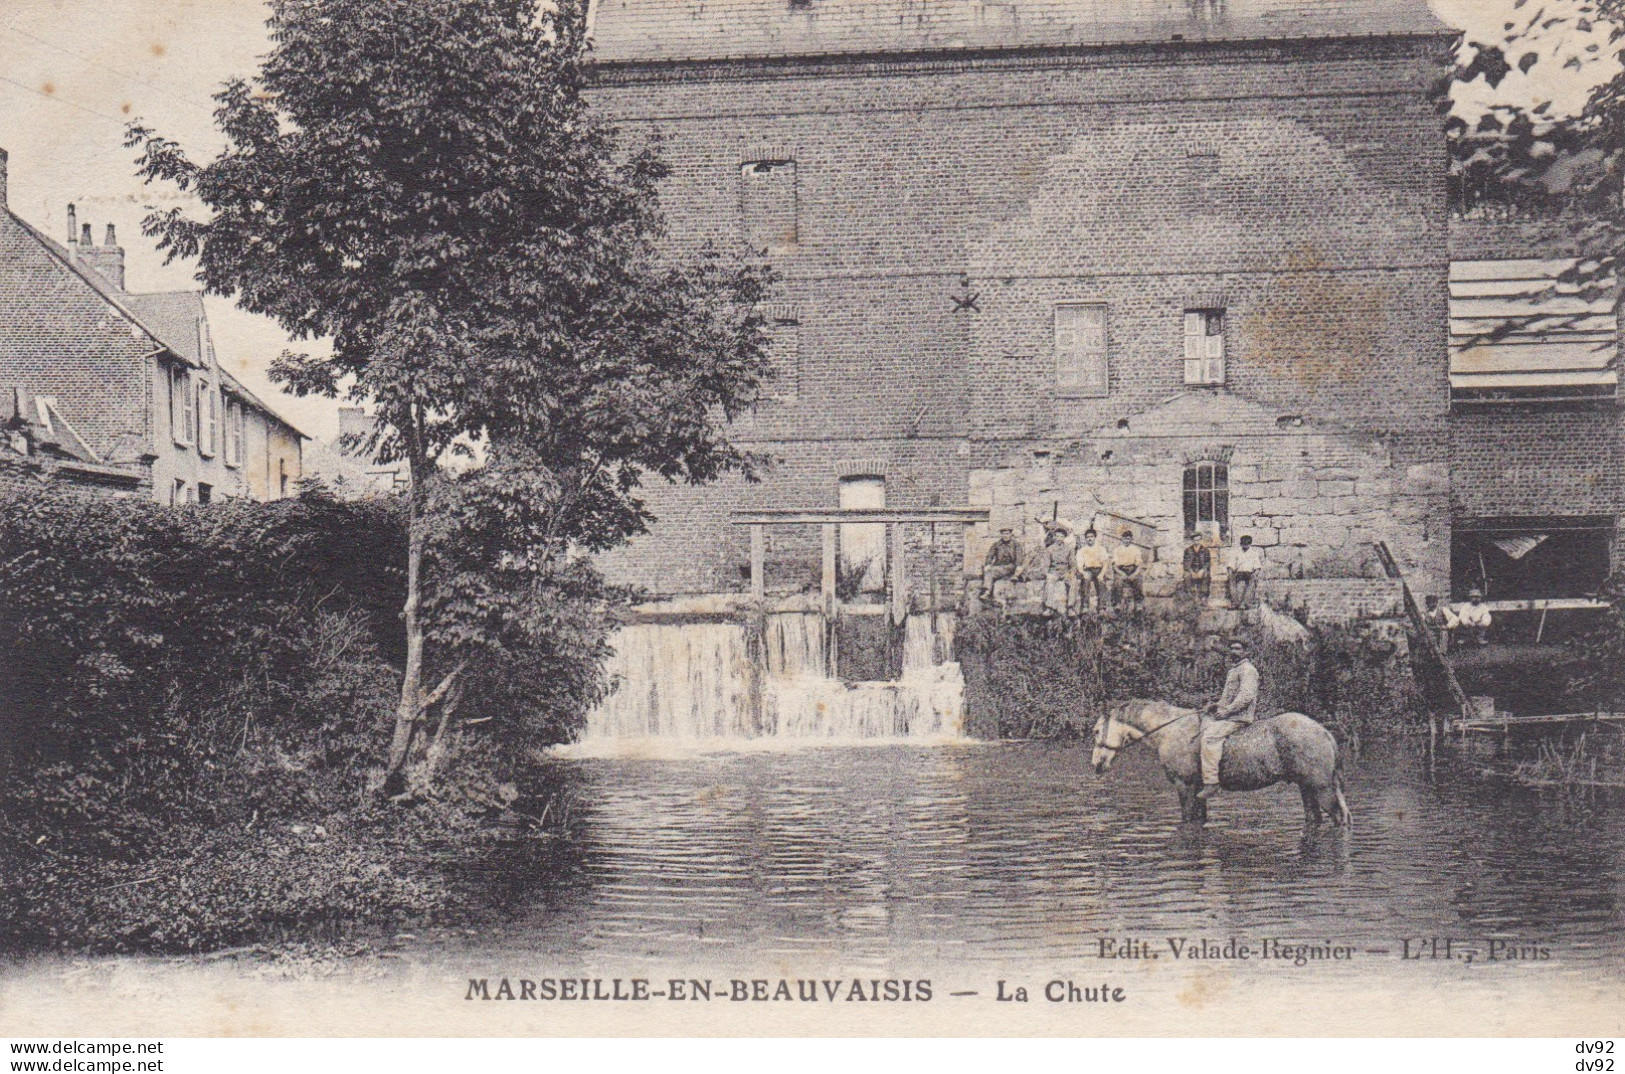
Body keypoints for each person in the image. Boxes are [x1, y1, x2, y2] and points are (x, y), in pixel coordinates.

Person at [1198, 638, 1260, 798]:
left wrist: (1226, 711)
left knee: (1209, 738)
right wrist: (1216, 705)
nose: (1234, 652)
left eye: (1238, 649)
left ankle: (1211, 782)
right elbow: (1230, 697)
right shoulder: (1235, 670)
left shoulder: (1247, 670)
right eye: (1232, 649)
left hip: (1238, 717)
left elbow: (1246, 696)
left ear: (1247, 652)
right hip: (1230, 714)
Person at [1074, 528, 1109, 615]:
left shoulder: (1101, 549)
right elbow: (1079, 565)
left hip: (1098, 569)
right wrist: (1083, 573)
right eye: (1087, 537)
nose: (1089, 539)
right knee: (1085, 580)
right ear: (1085, 539)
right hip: (1087, 570)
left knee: (1101, 581)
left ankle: (1101, 608)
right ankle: (1085, 606)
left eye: (1091, 537)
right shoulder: (1082, 550)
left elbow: (1105, 564)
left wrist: (1101, 574)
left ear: (1095, 537)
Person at [1112, 527, 1146, 615]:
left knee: (1138, 580)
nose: (1126, 541)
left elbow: (1139, 565)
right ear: (1122, 539)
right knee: (1117, 582)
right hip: (1121, 570)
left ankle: (1138, 604)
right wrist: (1121, 573)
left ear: (1131, 539)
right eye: (1125, 539)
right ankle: (1117, 604)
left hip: (1132, 569)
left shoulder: (1135, 549)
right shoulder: (1117, 550)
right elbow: (1115, 566)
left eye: (1128, 539)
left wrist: (1134, 574)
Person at [982, 527, 1021, 602]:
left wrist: (1017, 567)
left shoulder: (1016, 544)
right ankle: (987, 591)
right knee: (989, 570)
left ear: (1011, 534)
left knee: (992, 571)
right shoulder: (997, 544)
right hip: (999, 566)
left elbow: (1019, 557)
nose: (1005, 536)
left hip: (1011, 566)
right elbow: (990, 555)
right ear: (1001, 535)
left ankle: (987, 592)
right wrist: (988, 564)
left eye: (1007, 534)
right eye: (1003, 534)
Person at [1227, 535, 1263, 609]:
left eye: (1247, 544)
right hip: (1239, 573)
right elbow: (1231, 565)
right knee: (1231, 580)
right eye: (1244, 544)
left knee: (1253, 581)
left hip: (1249, 573)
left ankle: (1245, 603)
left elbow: (1257, 567)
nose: (1245, 546)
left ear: (1250, 544)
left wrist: (1255, 573)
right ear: (1241, 544)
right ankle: (1235, 603)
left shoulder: (1254, 554)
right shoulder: (1236, 553)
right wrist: (1230, 572)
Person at [1181, 534, 1212, 608]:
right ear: (1192, 540)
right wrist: (1191, 571)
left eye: (1198, 540)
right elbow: (1186, 563)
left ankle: (1203, 597)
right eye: (1195, 540)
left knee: (1206, 575)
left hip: (1201, 569)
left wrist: (1202, 570)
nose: (1196, 541)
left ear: (1201, 540)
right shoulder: (1188, 550)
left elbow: (1208, 562)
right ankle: (1190, 598)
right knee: (1186, 575)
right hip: (1191, 569)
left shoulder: (1205, 551)